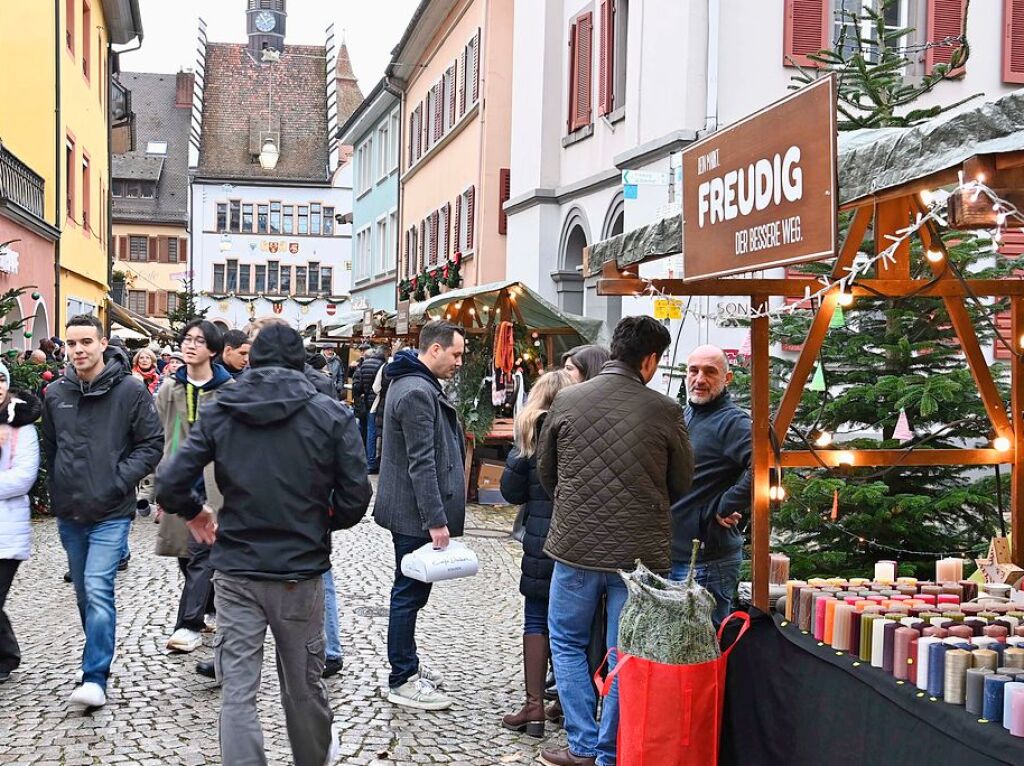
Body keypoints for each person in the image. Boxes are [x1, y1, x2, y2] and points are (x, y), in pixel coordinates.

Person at [155, 323, 371, 766]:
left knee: (238, 693)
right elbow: (355, 498)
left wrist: (196, 512)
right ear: (299, 362)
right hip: (299, 571)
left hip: (236, 570)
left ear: (251, 360)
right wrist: (321, 522)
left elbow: (171, 480)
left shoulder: (221, 409)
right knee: (303, 689)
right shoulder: (330, 414)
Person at [536, 316, 694, 766]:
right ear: (649, 360)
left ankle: (582, 744)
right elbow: (682, 482)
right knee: (627, 653)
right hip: (638, 556)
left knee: (565, 642)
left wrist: (577, 506)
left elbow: (547, 472)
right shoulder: (665, 410)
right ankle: (609, 751)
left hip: (575, 547)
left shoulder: (567, 400)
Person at [42, 314, 163, 708]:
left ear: (102, 343)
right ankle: (95, 659)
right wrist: (56, 485)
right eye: (72, 343)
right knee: (83, 594)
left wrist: (116, 480)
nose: (78, 350)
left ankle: (95, 675)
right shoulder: (56, 392)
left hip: (111, 511)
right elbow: (51, 446)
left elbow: (151, 443)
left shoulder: (130, 390)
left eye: (86, 343)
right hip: (70, 510)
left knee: (97, 588)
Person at [374, 321, 466, 711]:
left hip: (412, 512)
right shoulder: (415, 391)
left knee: (410, 593)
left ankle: (407, 665)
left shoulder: (414, 383)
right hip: (414, 516)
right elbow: (421, 463)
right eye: (456, 354)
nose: (459, 362)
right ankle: (402, 677)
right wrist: (436, 519)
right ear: (434, 350)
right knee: (408, 595)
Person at [500, 369, 575, 738]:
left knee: (536, 620)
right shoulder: (580, 432)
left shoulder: (532, 439)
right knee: (574, 628)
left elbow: (511, 492)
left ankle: (533, 710)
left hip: (539, 542)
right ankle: (565, 702)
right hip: (575, 541)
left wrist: (522, 449)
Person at [155, 320, 233, 655]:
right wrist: (153, 489)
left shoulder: (228, 389)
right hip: (179, 483)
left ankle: (188, 624)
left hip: (215, 485)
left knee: (202, 552)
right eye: (187, 339)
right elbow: (157, 436)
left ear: (213, 349)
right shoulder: (171, 387)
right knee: (187, 558)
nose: (190, 345)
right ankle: (210, 606)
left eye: (199, 341)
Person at [670, 345, 750, 625]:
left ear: (726, 379)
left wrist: (728, 504)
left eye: (710, 372)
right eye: (694, 370)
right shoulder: (685, 415)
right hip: (676, 554)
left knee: (705, 650)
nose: (700, 379)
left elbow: (767, 470)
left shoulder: (734, 422)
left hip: (707, 561)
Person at [0, 366, 42, 685]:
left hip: (6, 528)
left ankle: (5, 658)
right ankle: (8, 654)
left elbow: (23, 477)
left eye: (1, 379)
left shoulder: (21, 425)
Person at [351, 345, 385, 463]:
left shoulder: (363, 365)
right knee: (373, 432)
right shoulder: (382, 365)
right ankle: (372, 461)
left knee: (367, 430)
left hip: (366, 402)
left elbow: (358, 386)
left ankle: (365, 457)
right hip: (377, 401)